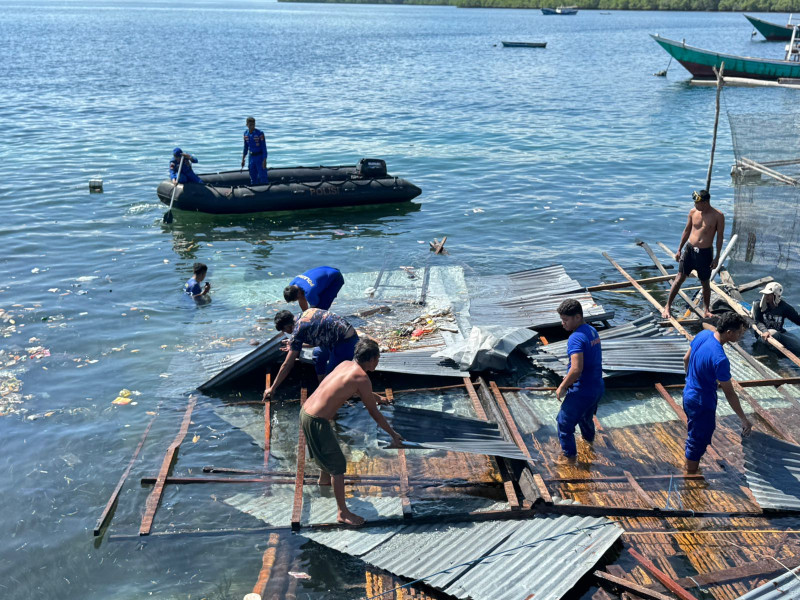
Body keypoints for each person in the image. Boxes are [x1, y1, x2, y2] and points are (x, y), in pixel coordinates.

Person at [300, 339, 403, 526]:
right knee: (338, 466)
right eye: (377, 358)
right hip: (317, 421)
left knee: (326, 455)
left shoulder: (345, 365)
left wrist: (378, 398)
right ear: (371, 359)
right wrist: (393, 434)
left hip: (305, 412)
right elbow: (373, 412)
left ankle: (324, 483)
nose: (378, 362)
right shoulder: (362, 378)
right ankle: (343, 513)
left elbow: (357, 392)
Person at [682, 312, 752, 473]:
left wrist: (692, 379)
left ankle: (690, 462)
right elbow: (730, 393)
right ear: (729, 333)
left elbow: (686, 359)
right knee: (699, 439)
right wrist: (744, 419)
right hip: (702, 401)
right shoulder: (720, 359)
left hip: (688, 393)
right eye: (740, 332)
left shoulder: (703, 335)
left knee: (694, 432)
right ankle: (690, 474)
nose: (741, 336)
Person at [264, 308, 359, 398]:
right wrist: (295, 345)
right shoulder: (304, 314)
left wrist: (273, 388)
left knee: (331, 379)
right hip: (337, 337)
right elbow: (317, 340)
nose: (288, 333)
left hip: (347, 342)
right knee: (318, 354)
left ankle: (329, 390)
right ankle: (321, 385)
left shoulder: (298, 331)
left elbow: (287, 364)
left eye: (285, 330)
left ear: (288, 326)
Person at [662, 190, 725, 319]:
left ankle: (706, 310)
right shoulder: (693, 212)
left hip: (705, 253)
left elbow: (719, 238)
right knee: (679, 278)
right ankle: (667, 306)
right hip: (689, 250)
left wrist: (717, 257)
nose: (695, 205)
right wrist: (679, 249)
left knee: (705, 283)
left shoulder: (718, 215)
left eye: (698, 203)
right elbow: (686, 230)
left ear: (706, 202)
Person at [554, 298, 604, 462]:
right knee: (585, 418)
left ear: (577, 317)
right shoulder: (591, 331)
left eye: (565, 320)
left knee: (564, 423)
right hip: (597, 387)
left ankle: (569, 459)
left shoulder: (575, 338)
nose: (563, 324)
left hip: (582, 390)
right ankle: (589, 444)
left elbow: (577, 369)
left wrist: (562, 386)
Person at [752, 282, 800, 354]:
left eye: (769, 295)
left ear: (776, 295)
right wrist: (765, 331)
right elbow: (757, 321)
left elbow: (797, 320)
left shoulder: (784, 307)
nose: (766, 296)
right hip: (764, 334)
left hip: (779, 333)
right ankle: (769, 352)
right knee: (773, 333)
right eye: (765, 294)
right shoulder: (758, 305)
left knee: (798, 347)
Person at [241, 116, 268, 185]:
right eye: (250, 125)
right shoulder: (245, 134)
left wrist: (264, 160)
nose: (252, 126)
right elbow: (245, 147)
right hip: (251, 157)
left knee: (262, 175)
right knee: (252, 175)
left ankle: (264, 189)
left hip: (259, 156)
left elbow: (264, 147)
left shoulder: (260, 133)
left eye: (253, 125)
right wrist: (243, 159)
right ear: (246, 125)